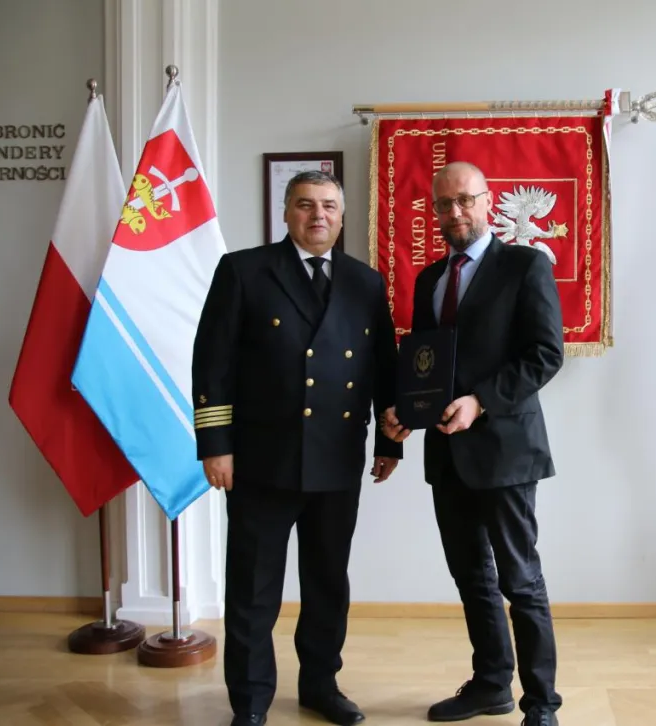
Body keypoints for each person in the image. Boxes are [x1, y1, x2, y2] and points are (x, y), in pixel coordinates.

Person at [192, 170, 402, 726]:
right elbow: (212, 364)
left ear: (342, 215)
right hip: (261, 460)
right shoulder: (244, 270)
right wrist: (215, 445)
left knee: (328, 584)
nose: (318, 215)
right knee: (253, 590)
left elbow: (384, 369)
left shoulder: (365, 282)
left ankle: (320, 686)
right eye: (306, 205)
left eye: (329, 206)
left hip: (337, 459)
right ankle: (250, 702)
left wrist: (389, 442)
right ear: (286, 212)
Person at [382, 161, 565, 726]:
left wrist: (480, 401)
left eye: (465, 200)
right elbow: (427, 362)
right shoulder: (429, 279)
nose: (455, 212)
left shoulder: (526, 265)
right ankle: (491, 684)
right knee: (472, 578)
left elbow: (545, 355)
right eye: (444, 204)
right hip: (447, 455)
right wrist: (407, 412)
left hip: (507, 452)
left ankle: (542, 704)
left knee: (520, 580)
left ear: (488, 201)